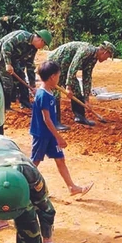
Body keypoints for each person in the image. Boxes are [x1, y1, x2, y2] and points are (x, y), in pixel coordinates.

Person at [30, 61, 93, 196]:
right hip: (42, 134)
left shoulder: (48, 92)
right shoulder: (43, 95)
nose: (59, 79)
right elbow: (47, 120)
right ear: (52, 77)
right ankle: (22, 186)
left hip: (50, 134)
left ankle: (72, 187)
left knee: (60, 159)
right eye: (58, 76)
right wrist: (59, 137)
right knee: (34, 162)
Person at [48, 41, 116, 127]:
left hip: (66, 67)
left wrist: (86, 99)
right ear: (105, 52)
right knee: (56, 92)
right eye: (108, 56)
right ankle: (55, 122)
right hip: (56, 62)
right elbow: (73, 67)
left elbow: (87, 77)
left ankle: (80, 117)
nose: (107, 58)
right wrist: (68, 87)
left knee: (76, 89)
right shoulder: (87, 51)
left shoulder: (93, 58)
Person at [0, 29, 52, 110]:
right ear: (41, 41)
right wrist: (8, 64)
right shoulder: (22, 36)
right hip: (0, 56)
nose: (42, 48)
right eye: (44, 45)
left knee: (22, 77)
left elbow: (30, 66)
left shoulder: (33, 49)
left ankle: (25, 103)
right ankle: (5, 106)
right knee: (8, 81)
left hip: (13, 58)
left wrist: (32, 85)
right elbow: (6, 46)